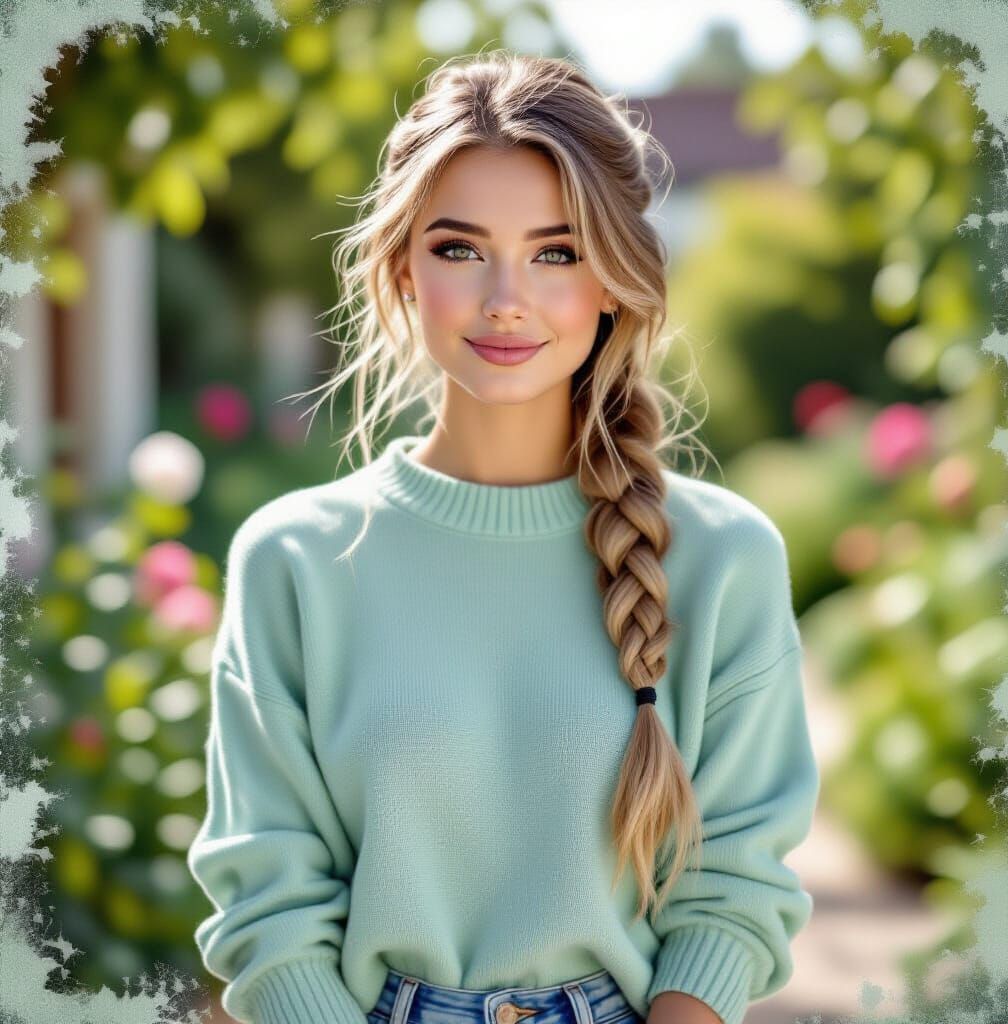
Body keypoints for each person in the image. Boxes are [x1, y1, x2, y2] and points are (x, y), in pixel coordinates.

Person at [187, 49, 820, 1024]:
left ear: (612, 281)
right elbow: (267, 900)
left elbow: (734, 887)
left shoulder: (723, 557)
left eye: (556, 252)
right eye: (458, 247)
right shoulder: (295, 561)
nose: (505, 297)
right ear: (402, 267)